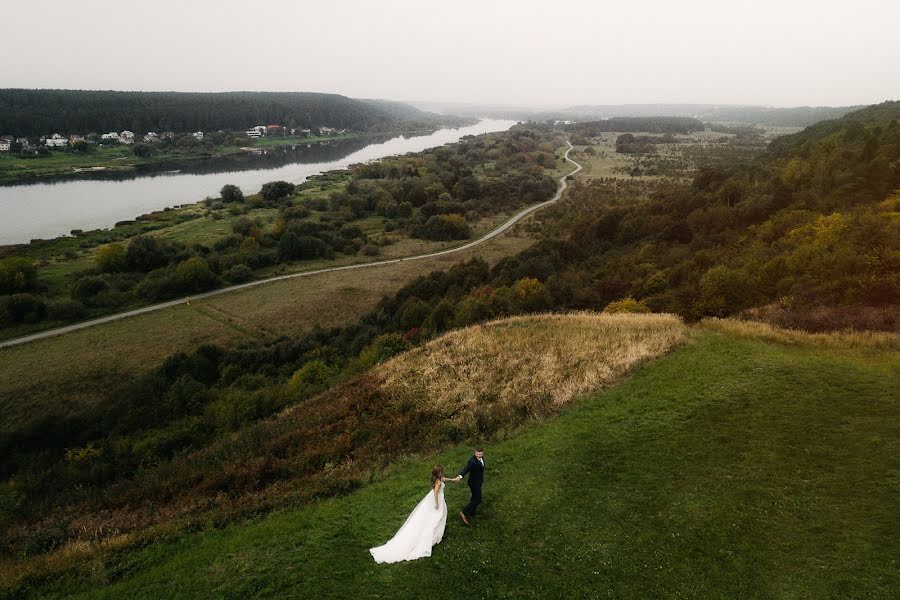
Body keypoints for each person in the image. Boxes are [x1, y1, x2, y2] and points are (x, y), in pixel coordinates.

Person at [369, 465, 457, 563]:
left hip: (430, 499)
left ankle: (435, 534)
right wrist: (436, 504)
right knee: (436, 517)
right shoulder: (439, 483)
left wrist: (452, 479)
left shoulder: (437, 479)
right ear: (439, 473)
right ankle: (433, 536)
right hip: (436, 500)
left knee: (431, 517)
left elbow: (443, 479)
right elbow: (436, 493)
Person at [454, 446, 485, 525]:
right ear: (475, 453)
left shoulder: (482, 458)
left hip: (478, 482)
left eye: (480, 454)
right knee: (478, 499)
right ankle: (464, 512)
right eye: (477, 454)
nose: (479, 456)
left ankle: (472, 513)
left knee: (474, 497)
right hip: (474, 483)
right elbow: (466, 469)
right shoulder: (472, 461)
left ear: (483, 453)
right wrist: (460, 476)